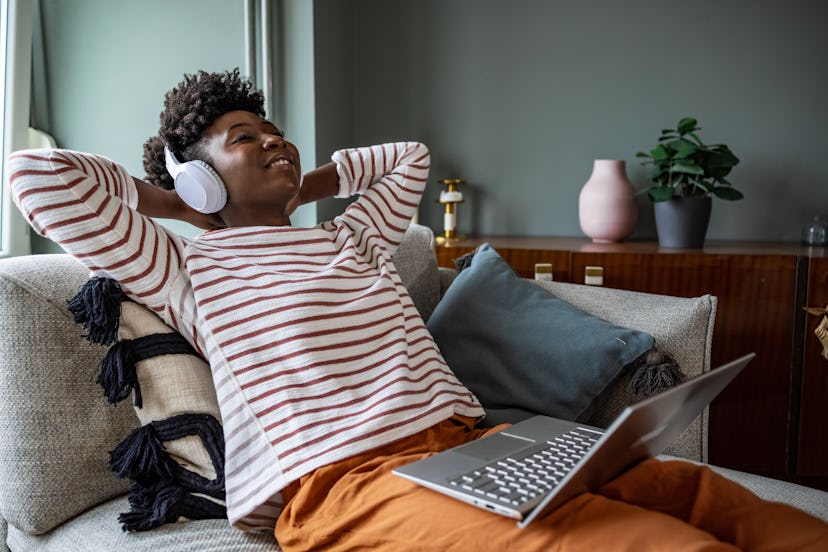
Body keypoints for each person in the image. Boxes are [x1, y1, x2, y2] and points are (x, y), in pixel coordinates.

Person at [7, 69, 827, 551]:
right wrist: (177, 200)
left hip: (472, 446)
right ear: (198, 174)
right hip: (342, 485)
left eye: (272, 130)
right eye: (241, 137)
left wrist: (308, 179)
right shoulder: (186, 262)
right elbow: (33, 179)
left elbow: (409, 160)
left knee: (706, 497)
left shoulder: (351, 239)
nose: (270, 142)